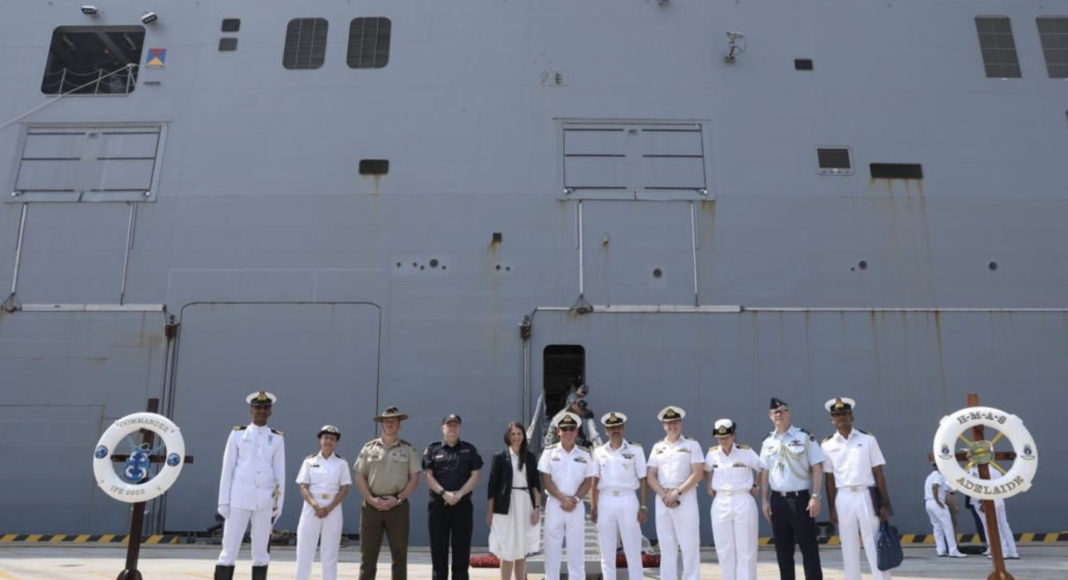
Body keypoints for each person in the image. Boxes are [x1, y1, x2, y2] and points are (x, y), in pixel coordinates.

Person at [215, 391, 286, 580]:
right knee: (229, 548)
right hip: (239, 497)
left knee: (261, 551)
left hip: (265, 500)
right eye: (258, 407)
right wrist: (224, 501)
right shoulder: (238, 434)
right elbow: (227, 468)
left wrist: (278, 505)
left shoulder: (277, 438)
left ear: (270, 411)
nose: (261, 411)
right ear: (250, 410)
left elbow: (280, 474)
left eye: (265, 408)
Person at [821, 397, 892, 580]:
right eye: (836, 415)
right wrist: (831, 509)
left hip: (866, 494)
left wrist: (886, 504)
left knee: (874, 542)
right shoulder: (827, 445)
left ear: (851, 416)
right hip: (843, 497)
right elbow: (829, 479)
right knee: (848, 545)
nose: (841, 418)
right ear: (831, 420)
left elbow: (878, 473)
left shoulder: (868, 439)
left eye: (844, 414)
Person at [759, 397, 824, 580]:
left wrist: (815, 496)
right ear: (770, 416)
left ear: (789, 413)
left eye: (783, 410)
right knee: (783, 551)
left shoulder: (804, 436)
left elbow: (817, 467)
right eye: (775, 412)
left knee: (809, 548)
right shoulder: (767, 441)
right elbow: (764, 472)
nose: (779, 414)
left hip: (801, 500)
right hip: (777, 501)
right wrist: (764, 500)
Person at [354, 406, 421, 580]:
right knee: (368, 556)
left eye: (394, 421)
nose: (390, 424)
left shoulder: (408, 449)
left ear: (399, 425)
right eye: (386, 421)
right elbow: (360, 476)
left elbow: (414, 478)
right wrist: (370, 499)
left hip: (397, 507)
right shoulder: (369, 448)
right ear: (381, 424)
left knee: (399, 556)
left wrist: (398, 499)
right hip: (371, 507)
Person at [423, 414, 484, 580]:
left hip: (462, 506)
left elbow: (475, 476)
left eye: (455, 425)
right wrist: (444, 493)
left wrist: (459, 494)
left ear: (460, 428)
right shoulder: (433, 449)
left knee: (461, 552)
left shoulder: (469, 449)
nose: (452, 428)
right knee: (438, 552)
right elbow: (428, 476)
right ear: (442, 428)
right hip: (438, 507)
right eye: (449, 425)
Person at [646, 405, 704, 580]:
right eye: (669, 423)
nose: (673, 426)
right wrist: (664, 495)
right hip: (663, 499)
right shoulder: (657, 448)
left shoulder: (692, 445)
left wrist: (677, 492)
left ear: (681, 424)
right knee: (666, 546)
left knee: (689, 545)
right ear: (664, 425)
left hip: (684, 497)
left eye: (676, 422)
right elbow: (650, 475)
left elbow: (698, 473)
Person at [538, 412, 597, 580]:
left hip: (576, 505)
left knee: (576, 547)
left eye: (572, 428)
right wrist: (563, 499)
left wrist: (576, 499)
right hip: (555, 504)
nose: (568, 432)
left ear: (577, 432)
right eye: (564, 429)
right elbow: (546, 479)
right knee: (552, 546)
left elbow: (588, 480)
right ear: (558, 432)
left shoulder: (585, 454)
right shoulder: (549, 453)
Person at [590, 412, 648, 580]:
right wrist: (594, 507)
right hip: (605, 500)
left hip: (628, 498)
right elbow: (594, 481)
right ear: (606, 431)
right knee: (607, 551)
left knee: (633, 548)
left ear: (622, 428)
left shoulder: (635, 449)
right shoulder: (599, 452)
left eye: (617, 427)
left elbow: (643, 479)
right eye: (611, 428)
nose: (615, 430)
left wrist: (643, 506)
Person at [705, 418, 761, 580]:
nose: (723, 441)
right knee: (724, 549)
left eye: (726, 437)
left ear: (733, 435)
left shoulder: (746, 451)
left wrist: (756, 485)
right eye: (720, 438)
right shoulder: (712, 452)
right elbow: (705, 469)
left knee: (747, 549)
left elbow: (763, 468)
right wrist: (709, 486)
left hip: (743, 499)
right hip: (721, 500)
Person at [486, 421, 542, 580]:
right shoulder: (500, 457)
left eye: (519, 434)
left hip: (525, 505)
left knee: (522, 548)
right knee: (507, 549)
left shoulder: (530, 457)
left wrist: (537, 508)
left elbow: (535, 485)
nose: (516, 437)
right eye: (513, 434)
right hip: (505, 506)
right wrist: (490, 512)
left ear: (523, 436)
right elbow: (492, 486)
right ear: (508, 436)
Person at [295, 425, 352, 580]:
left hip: (332, 510)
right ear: (320, 440)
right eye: (326, 437)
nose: (328, 441)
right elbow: (303, 486)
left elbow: (344, 488)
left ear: (336, 442)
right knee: (304, 550)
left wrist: (328, 508)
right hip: (311, 509)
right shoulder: (309, 461)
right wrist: (316, 506)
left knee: (330, 551)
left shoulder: (341, 463)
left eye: (332, 439)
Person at [968, 466, 1019, 559]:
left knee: (992, 527)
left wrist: (983, 501)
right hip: (998, 499)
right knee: (1004, 526)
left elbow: (983, 487)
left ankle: (1001, 552)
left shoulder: (979, 471)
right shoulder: (996, 470)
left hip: (985, 501)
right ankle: (1012, 551)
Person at [923, 464, 965, 558]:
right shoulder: (939, 475)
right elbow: (935, 486)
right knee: (948, 527)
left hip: (928, 503)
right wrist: (938, 500)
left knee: (937, 527)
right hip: (937, 503)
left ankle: (940, 550)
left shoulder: (930, 476)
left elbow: (948, 489)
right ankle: (953, 550)